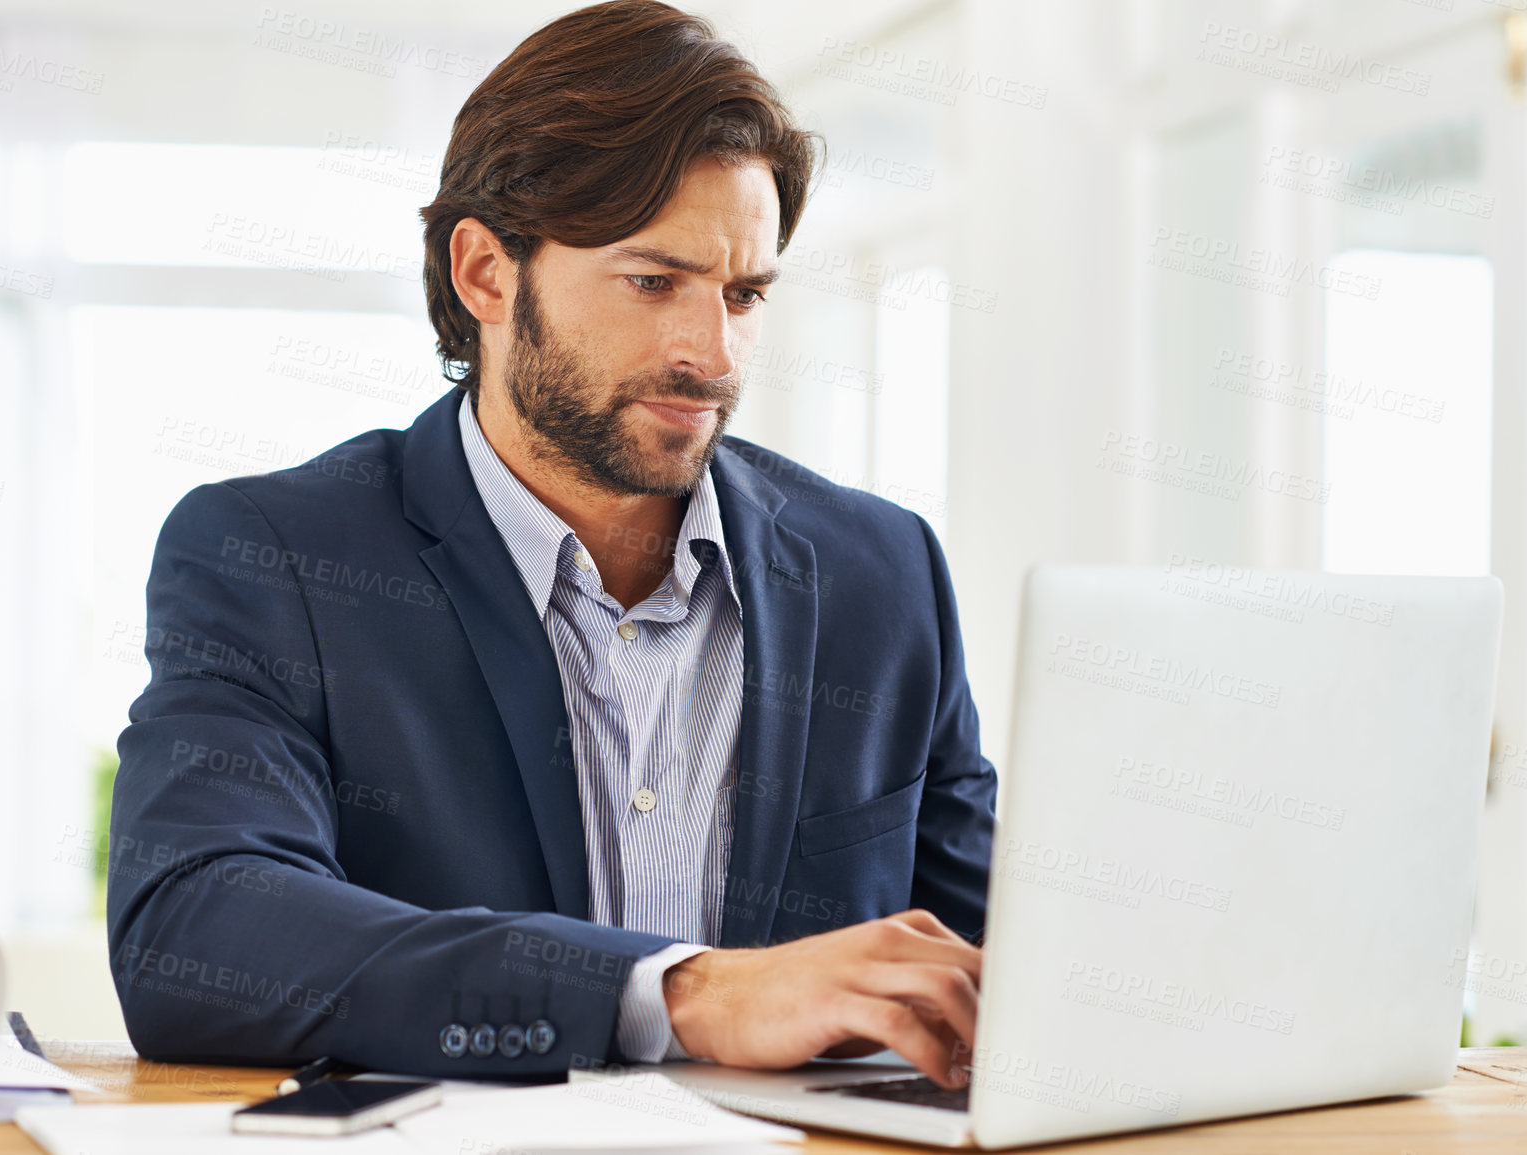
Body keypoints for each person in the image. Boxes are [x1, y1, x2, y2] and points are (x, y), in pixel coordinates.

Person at [108, 0, 994, 1092]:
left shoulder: (882, 573)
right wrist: (683, 993)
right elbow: (196, 925)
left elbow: (1003, 967)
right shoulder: (274, 556)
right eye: (652, 282)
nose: (710, 353)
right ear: (485, 273)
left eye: (744, 294)